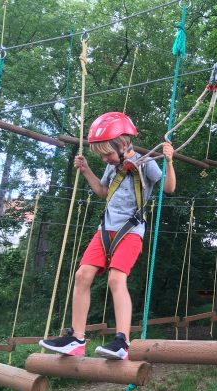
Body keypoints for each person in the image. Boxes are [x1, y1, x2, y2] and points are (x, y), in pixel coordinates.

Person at [39, 112, 176, 360]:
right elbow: (103, 192)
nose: (105, 159)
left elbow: (169, 187)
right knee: (82, 275)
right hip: (105, 230)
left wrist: (170, 161)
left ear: (123, 145)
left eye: (107, 154)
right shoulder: (111, 167)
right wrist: (86, 170)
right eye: (101, 156)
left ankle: (122, 341)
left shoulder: (146, 163)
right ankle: (76, 339)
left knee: (116, 279)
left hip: (130, 231)